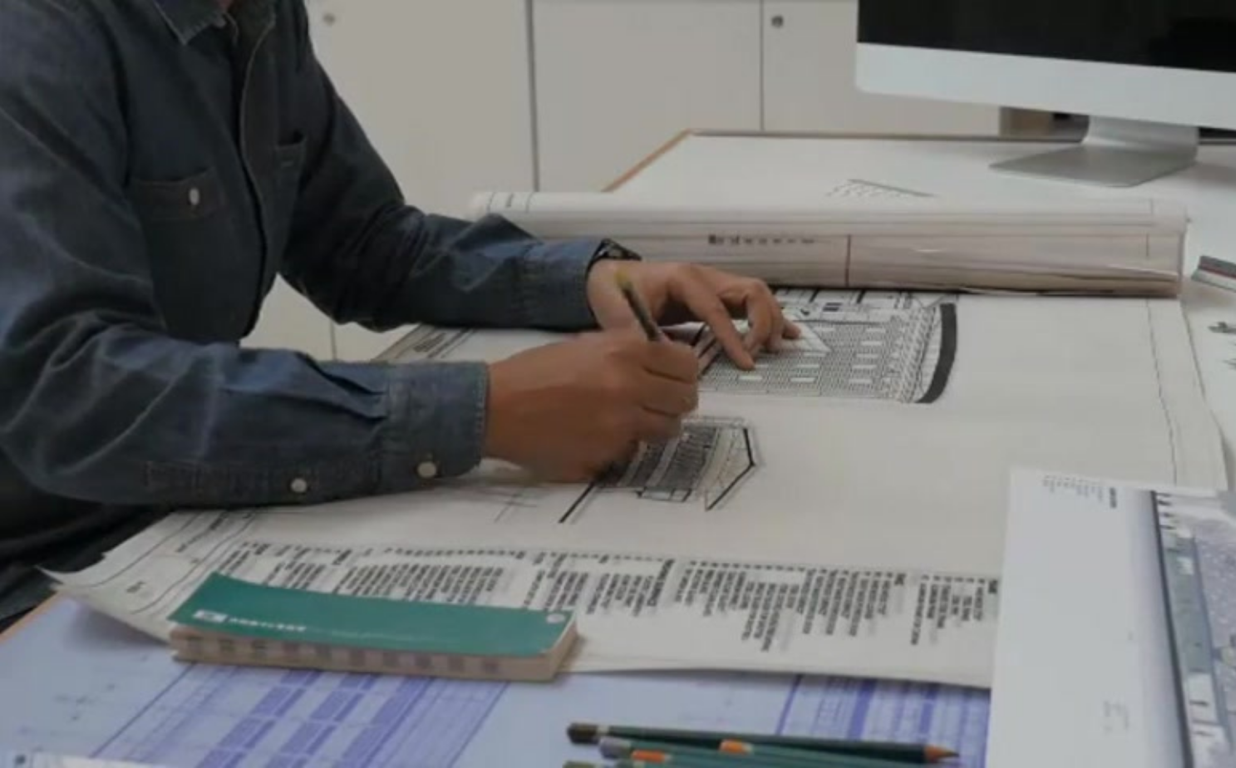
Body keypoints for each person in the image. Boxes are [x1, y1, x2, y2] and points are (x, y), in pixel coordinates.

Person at [0, 0, 797, 625]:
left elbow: (366, 242)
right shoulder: (34, 38)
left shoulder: (258, 15)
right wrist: (483, 410)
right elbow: (67, 395)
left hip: (171, 523)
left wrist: (588, 280)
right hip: (41, 577)